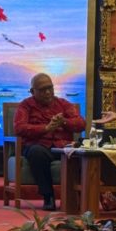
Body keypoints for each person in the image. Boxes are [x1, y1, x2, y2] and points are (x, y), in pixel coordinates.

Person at [14, 73, 86, 210]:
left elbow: (81, 124)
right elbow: (19, 128)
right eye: (42, 90)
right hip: (38, 146)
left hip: (62, 147)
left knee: (83, 153)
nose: (47, 92)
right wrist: (45, 128)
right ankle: (48, 197)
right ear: (32, 91)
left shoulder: (63, 104)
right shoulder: (26, 105)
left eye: (50, 88)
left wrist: (63, 121)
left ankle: (80, 198)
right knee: (37, 152)